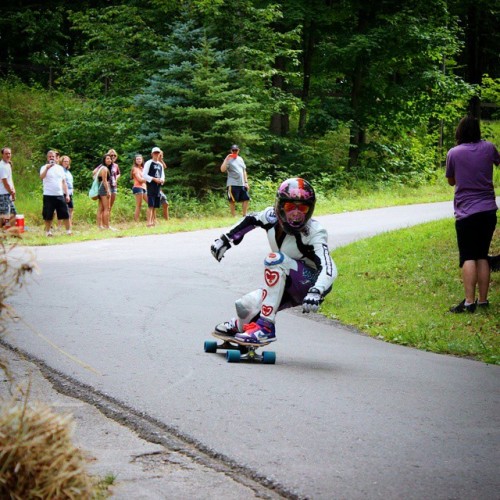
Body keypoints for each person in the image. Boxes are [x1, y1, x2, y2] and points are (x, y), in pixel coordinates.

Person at [210, 177, 337, 344]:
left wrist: (317, 290)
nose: (296, 213)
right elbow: (250, 219)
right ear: (280, 206)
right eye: (290, 207)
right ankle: (242, 326)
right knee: (244, 305)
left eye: (303, 208)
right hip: (287, 279)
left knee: (275, 259)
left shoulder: (314, 231)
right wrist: (225, 239)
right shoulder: (270, 217)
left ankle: (266, 327)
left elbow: (329, 267)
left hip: (310, 283)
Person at [446, 116, 500, 313]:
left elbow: (451, 181)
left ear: (459, 132)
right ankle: (484, 301)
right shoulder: (489, 148)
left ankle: (469, 302)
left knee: (468, 256)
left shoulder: (454, 153)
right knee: (482, 256)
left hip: (466, 212)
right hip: (487, 211)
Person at [40, 150, 71, 236]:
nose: (51, 158)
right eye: (50, 157)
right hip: (48, 195)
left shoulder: (60, 168)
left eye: (53, 156)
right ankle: (48, 232)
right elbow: (41, 177)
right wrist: (47, 168)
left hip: (59, 194)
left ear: (56, 157)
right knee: (48, 215)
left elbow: (64, 182)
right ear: (47, 158)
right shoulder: (44, 167)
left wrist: (67, 194)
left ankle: (68, 231)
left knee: (65, 213)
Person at [220, 144, 250, 216]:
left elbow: (244, 171)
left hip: (242, 183)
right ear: (231, 151)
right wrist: (227, 158)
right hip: (232, 183)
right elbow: (222, 169)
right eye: (233, 150)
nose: (234, 152)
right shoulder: (228, 160)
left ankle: (244, 215)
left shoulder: (240, 159)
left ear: (238, 150)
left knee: (246, 199)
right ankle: (233, 216)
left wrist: (246, 182)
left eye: (236, 150)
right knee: (232, 201)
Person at [143, 147, 165, 227]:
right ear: (152, 154)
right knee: (150, 204)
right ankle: (148, 222)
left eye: (158, 153)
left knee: (155, 205)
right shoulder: (149, 163)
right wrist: (153, 179)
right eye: (155, 153)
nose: (156, 154)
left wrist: (162, 180)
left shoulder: (160, 165)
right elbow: (144, 175)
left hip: (158, 186)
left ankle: (153, 221)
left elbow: (162, 175)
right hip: (151, 185)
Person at [93, 154, 115, 230]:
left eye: (110, 159)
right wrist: (108, 191)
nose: (109, 160)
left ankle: (99, 226)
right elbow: (105, 181)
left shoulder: (101, 168)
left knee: (100, 208)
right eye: (107, 159)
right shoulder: (105, 169)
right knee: (107, 208)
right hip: (104, 188)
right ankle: (107, 226)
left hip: (100, 188)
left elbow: (93, 173)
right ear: (104, 160)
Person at [0, 147, 17, 229]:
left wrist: (14, 190)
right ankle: (2, 231)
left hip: (9, 192)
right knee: (4, 215)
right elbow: (5, 181)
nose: (8, 155)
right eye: (6, 153)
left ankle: (13, 231)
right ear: (2, 155)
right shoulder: (2, 166)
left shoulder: (8, 164)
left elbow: (10, 179)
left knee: (13, 212)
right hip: (3, 193)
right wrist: (11, 192)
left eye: (9, 153)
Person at [131, 154, 147, 222]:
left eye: (140, 159)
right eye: (137, 159)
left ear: (142, 160)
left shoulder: (143, 168)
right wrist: (150, 179)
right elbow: (140, 179)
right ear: (135, 160)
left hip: (144, 188)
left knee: (150, 203)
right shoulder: (135, 169)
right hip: (137, 187)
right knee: (139, 205)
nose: (139, 160)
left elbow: (145, 178)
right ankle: (136, 221)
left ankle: (152, 219)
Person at [59, 155, 74, 230]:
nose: (66, 163)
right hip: (63, 192)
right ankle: (60, 226)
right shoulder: (60, 170)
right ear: (61, 162)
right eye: (65, 161)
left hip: (70, 192)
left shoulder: (67, 171)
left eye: (67, 161)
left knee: (71, 208)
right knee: (62, 209)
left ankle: (69, 225)